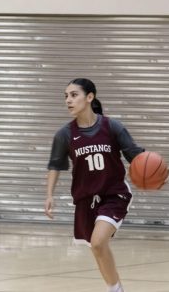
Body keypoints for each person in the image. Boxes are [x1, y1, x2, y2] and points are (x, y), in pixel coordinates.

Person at [45, 78, 144, 292]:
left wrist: (157, 168)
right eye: (66, 96)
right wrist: (49, 195)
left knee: (99, 242)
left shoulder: (112, 126)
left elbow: (135, 155)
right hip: (86, 199)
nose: (68, 101)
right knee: (97, 248)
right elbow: (55, 165)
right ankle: (115, 288)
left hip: (114, 195)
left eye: (73, 95)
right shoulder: (65, 134)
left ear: (90, 97)